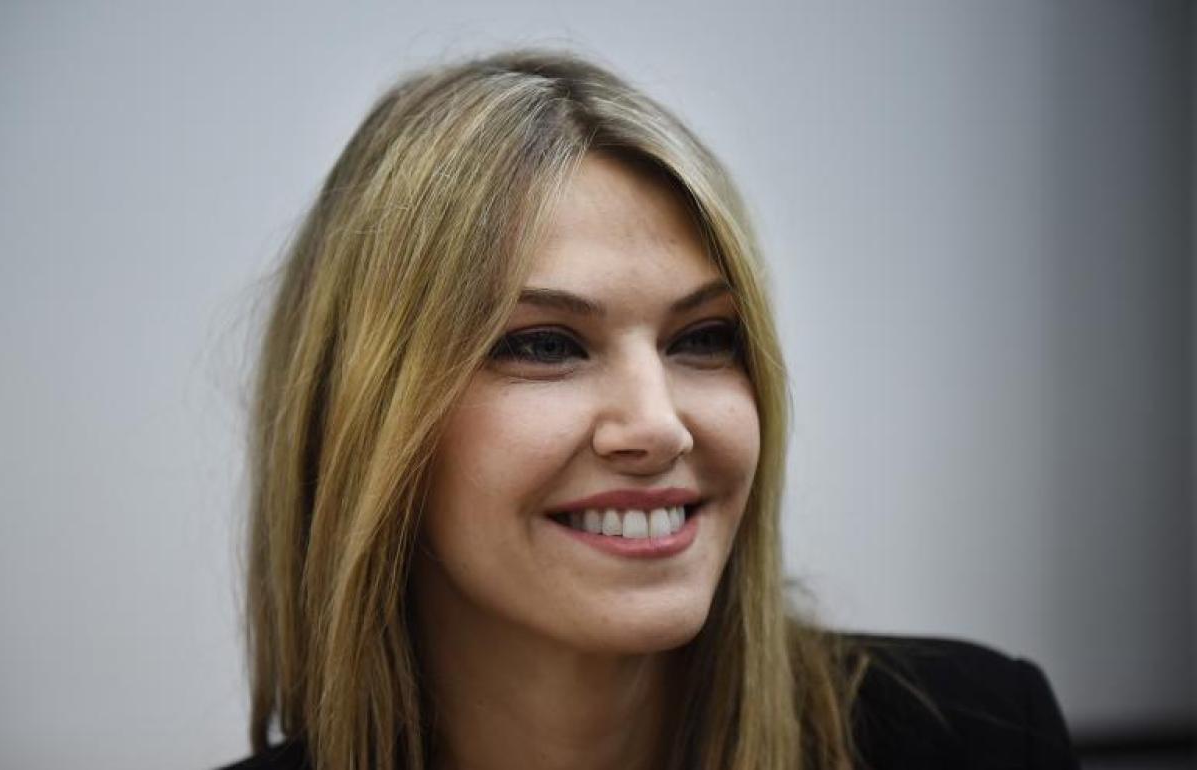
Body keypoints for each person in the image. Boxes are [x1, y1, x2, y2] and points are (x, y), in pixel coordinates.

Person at [222, 48, 1080, 770]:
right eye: (546, 345)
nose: (660, 426)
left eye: (703, 338)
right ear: (364, 416)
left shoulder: (979, 737)